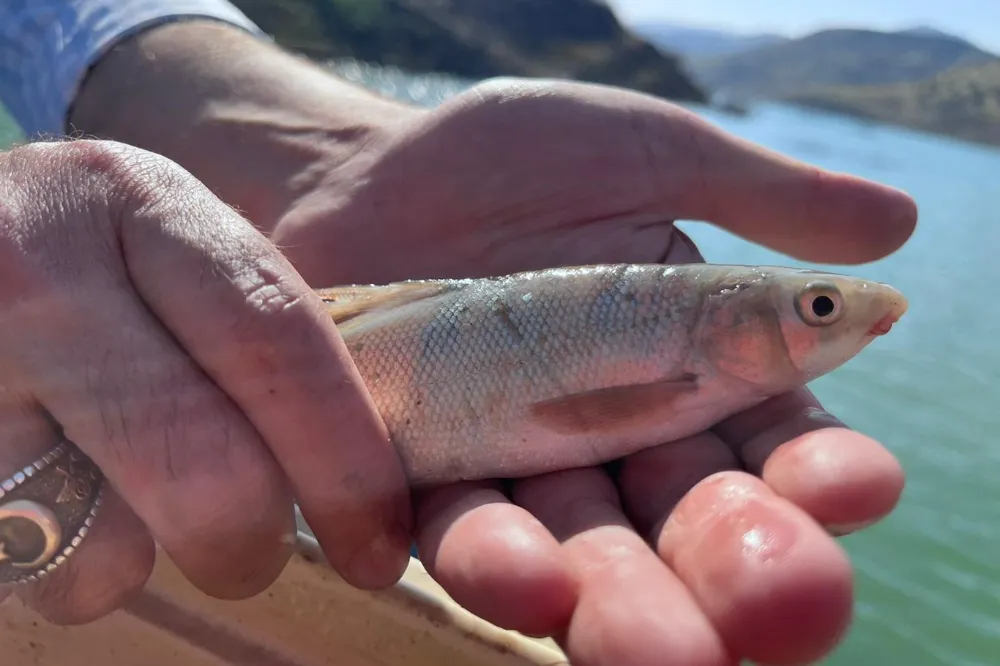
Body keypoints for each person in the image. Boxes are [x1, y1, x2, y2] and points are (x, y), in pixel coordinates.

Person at [0, 1, 917, 664]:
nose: (852, 319)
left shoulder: (702, 361)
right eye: (820, 307)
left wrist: (319, 151)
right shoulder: (688, 370)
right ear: (728, 319)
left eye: (822, 306)